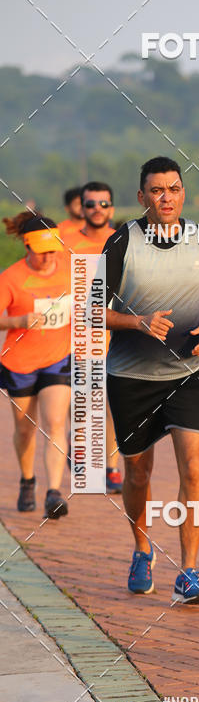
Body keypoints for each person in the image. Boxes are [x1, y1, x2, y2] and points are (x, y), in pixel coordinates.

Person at [103, 157, 199, 603]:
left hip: (187, 375)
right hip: (130, 376)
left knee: (194, 468)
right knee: (138, 474)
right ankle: (141, 549)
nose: (166, 197)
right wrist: (136, 322)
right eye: (157, 190)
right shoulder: (121, 243)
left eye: (173, 189)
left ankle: (190, 570)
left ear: (182, 193)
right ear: (142, 197)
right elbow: (91, 309)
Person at [0, 212, 71, 518]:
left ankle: (53, 493)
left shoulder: (71, 269)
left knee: (56, 422)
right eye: (41, 252)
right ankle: (27, 480)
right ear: (27, 247)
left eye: (52, 249)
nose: (47, 258)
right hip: (20, 361)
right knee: (25, 428)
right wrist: (18, 320)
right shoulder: (11, 278)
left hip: (59, 358)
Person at [64, 181, 122, 494]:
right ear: (81, 207)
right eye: (90, 204)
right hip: (78, 337)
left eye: (103, 203)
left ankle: (112, 468)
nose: (97, 209)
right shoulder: (66, 242)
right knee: (82, 401)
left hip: (116, 336)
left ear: (111, 207)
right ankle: (79, 448)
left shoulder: (123, 241)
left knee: (112, 404)